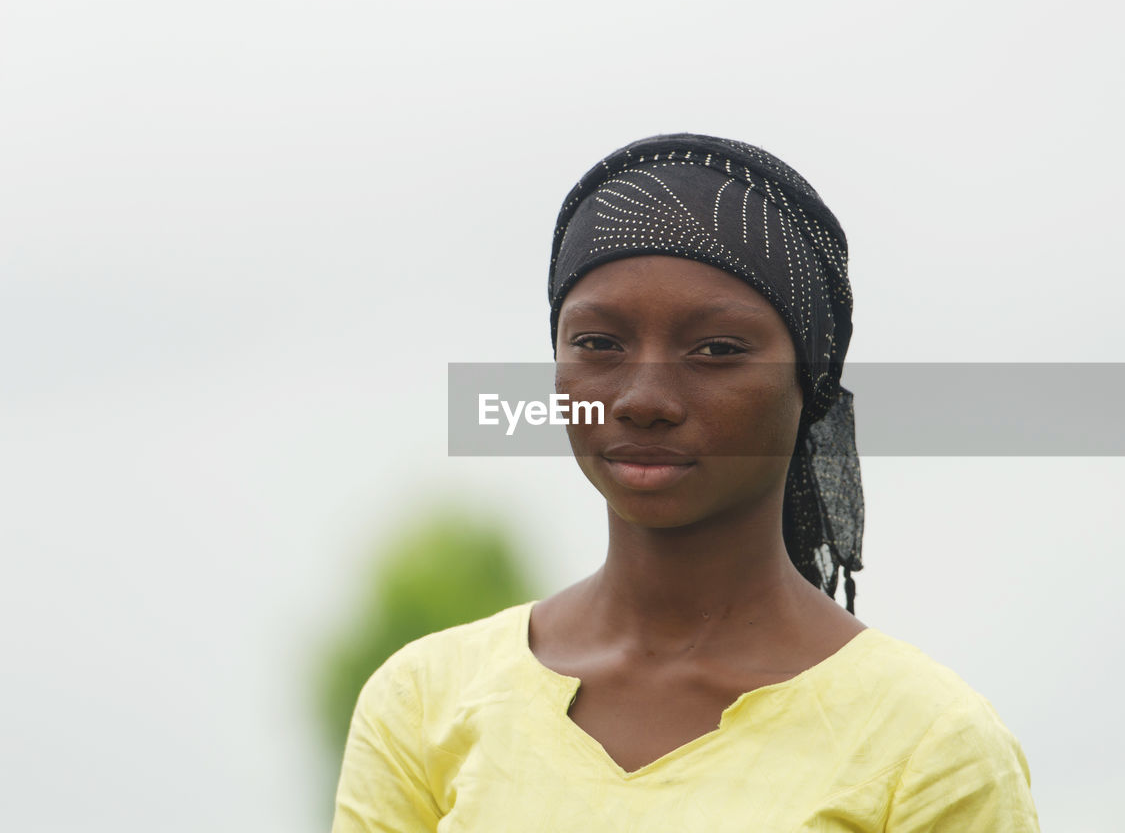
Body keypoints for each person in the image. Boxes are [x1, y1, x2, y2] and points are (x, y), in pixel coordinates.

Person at [332, 133, 1040, 831]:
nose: (644, 398)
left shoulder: (929, 748)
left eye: (717, 350)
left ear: (810, 380)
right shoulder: (425, 701)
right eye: (598, 343)